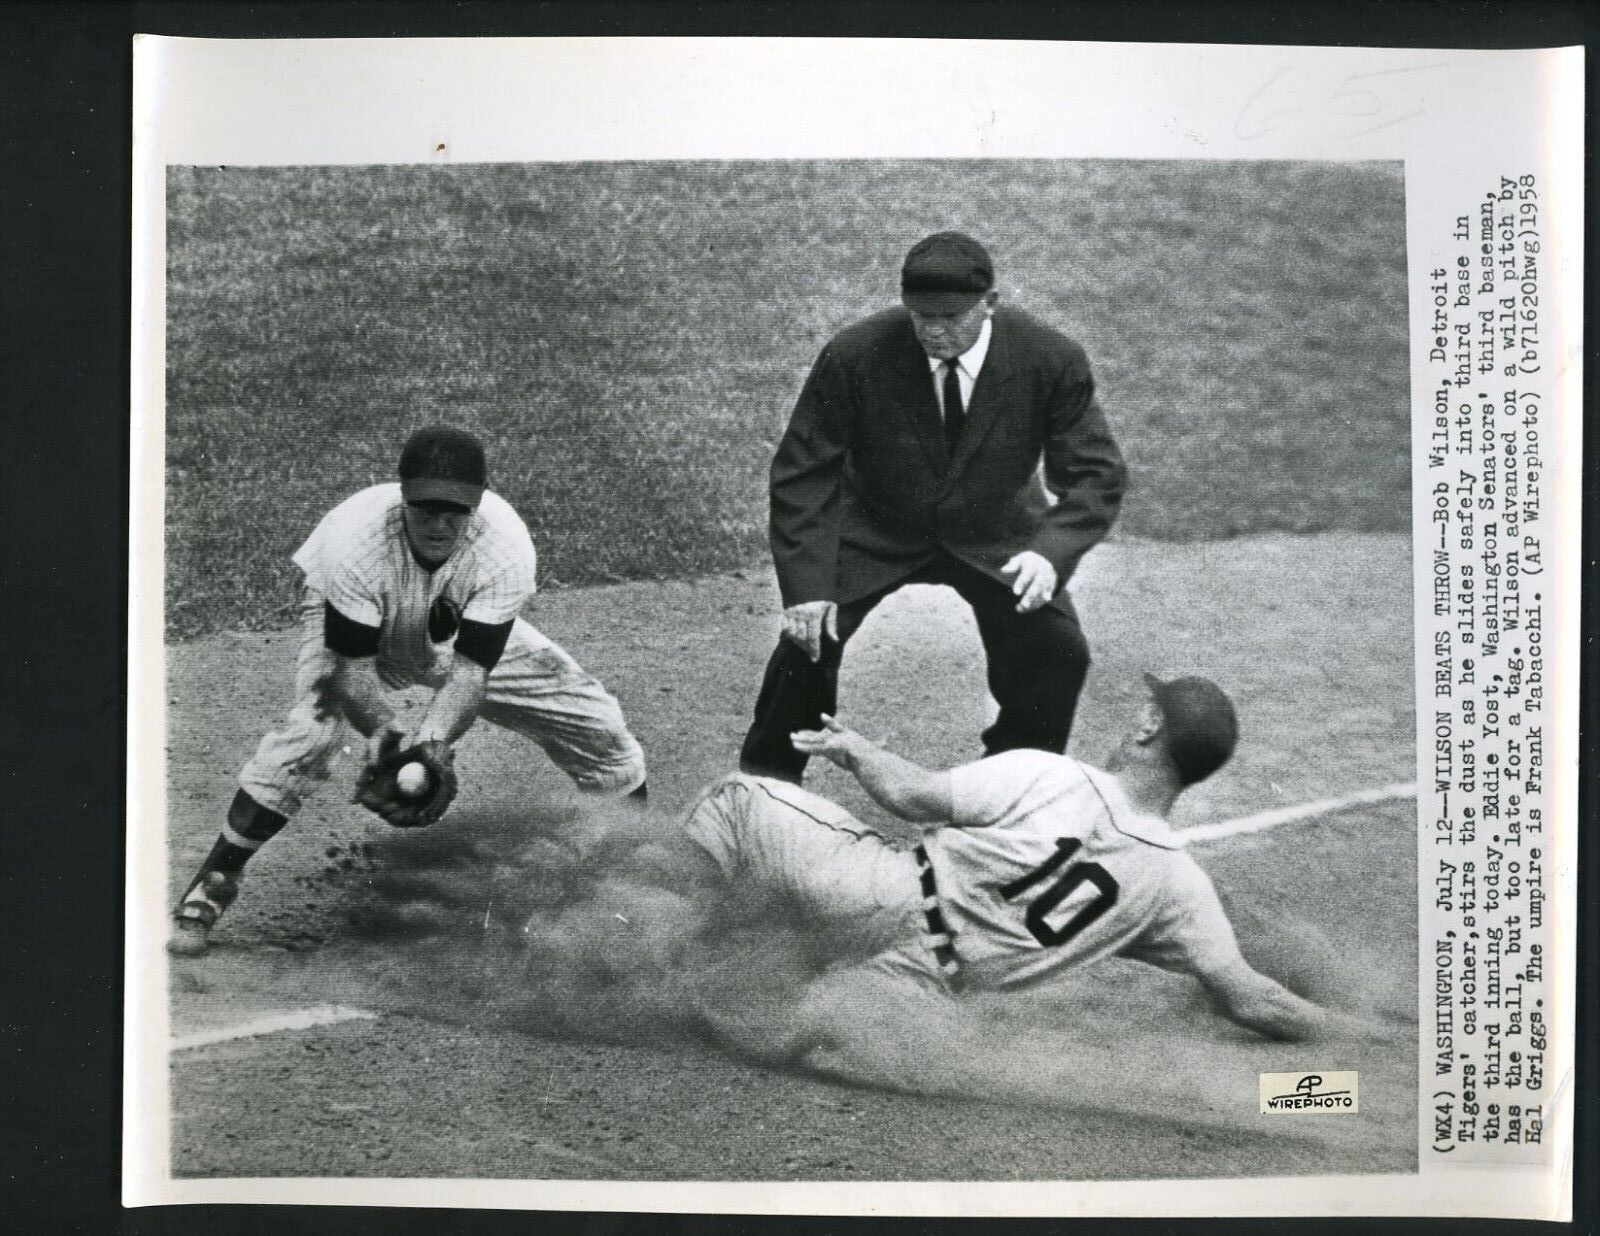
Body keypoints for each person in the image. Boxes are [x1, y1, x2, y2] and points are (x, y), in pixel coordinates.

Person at [168, 425, 648, 956]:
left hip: (451, 632)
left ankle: (635, 886)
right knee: (312, 733)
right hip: (355, 621)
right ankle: (214, 882)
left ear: (479, 503)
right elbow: (353, 672)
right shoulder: (355, 544)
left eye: (456, 511)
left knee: (595, 720)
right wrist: (386, 734)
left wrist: (432, 743)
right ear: (403, 498)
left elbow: (470, 673)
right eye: (426, 508)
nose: (441, 524)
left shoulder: (506, 549)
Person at [694, 673, 1371, 1045]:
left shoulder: (1055, 777)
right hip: (920, 992)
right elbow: (1253, 1000)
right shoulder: (1178, 887)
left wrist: (858, 749)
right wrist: (1362, 1037)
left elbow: (912, 795)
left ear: (1148, 727)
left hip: (869, 896)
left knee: (737, 799)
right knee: (809, 1012)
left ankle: (635, 920)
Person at [740, 231, 1126, 783]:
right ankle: (764, 791)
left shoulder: (1051, 359)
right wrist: (807, 588)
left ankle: (1011, 788)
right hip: (877, 524)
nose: (935, 330)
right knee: (806, 644)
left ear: (990, 303)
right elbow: (805, 471)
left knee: (1058, 650)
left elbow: (1096, 473)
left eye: (952, 316)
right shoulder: (855, 353)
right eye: (921, 316)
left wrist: (1049, 553)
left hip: (998, 530)